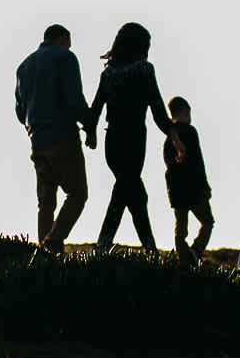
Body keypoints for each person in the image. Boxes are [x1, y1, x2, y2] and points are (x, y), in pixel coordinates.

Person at [86, 22, 181, 254]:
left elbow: (96, 108)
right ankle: (104, 245)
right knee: (126, 192)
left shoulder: (108, 74)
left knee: (134, 194)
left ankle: (149, 250)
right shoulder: (144, 70)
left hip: (113, 142)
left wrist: (91, 134)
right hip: (134, 140)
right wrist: (174, 136)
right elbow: (157, 108)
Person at [14, 23, 94, 255]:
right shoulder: (65, 58)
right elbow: (74, 99)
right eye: (68, 43)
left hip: (37, 142)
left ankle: (47, 257)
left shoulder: (24, 67)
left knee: (46, 202)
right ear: (62, 39)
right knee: (78, 193)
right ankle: (52, 241)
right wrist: (89, 124)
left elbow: (20, 112)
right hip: (64, 137)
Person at [163, 96, 213, 265]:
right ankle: (195, 252)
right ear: (185, 112)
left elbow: (168, 164)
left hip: (176, 190)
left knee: (180, 228)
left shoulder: (169, 137)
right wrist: (204, 185)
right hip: (194, 188)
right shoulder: (190, 132)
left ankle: (182, 258)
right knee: (207, 221)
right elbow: (198, 161)